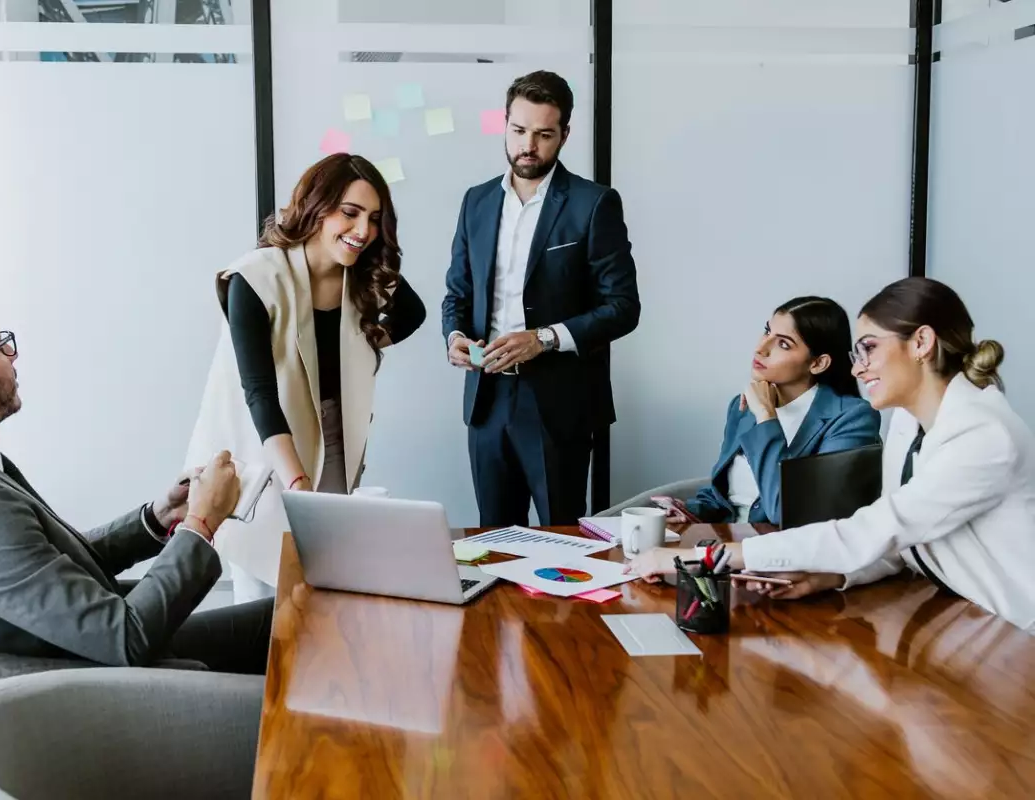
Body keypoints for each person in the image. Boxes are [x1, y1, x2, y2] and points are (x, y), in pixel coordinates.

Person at [0, 294, 272, 673]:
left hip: (85, 659)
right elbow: (127, 639)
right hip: (103, 692)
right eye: (2, 347)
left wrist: (160, 515)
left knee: (288, 614)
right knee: (298, 623)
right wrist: (201, 522)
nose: (13, 359)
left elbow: (50, 563)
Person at [629, 277, 1035, 633]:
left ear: (922, 344)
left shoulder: (983, 435)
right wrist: (832, 577)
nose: (858, 370)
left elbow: (876, 529)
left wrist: (702, 557)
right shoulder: (908, 423)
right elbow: (904, 544)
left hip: (1014, 635)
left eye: (869, 349)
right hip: (961, 620)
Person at [187, 153, 426, 586]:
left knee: (322, 577)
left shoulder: (366, 271)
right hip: (259, 441)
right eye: (349, 214)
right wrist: (297, 483)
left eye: (373, 219)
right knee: (261, 585)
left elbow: (413, 313)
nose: (362, 232)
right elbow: (259, 394)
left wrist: (370, 343)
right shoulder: (254, 277)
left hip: (331, 433)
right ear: (316, 208)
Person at [442, 70, 640, 527]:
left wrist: (545, 338)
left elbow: (624, 307)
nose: (528, 145)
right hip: (486, 398)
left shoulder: (593, 204)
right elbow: (458, 290)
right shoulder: (476, 201)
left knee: (561, 538)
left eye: (543, 134)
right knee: (493, 538)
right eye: (518, 131)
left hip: (559, 403)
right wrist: (454, 334)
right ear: (505, 124)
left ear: (564, 135)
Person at [668, 296, 880, 525]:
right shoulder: (742, 407)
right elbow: (725, 496)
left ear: (818, 363)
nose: (761, 348)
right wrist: (690, 511)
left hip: (783, 553)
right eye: (767, 331)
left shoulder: (851, 419)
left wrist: (766, 418)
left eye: (783, 344)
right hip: (725, 543)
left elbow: (790, 513)